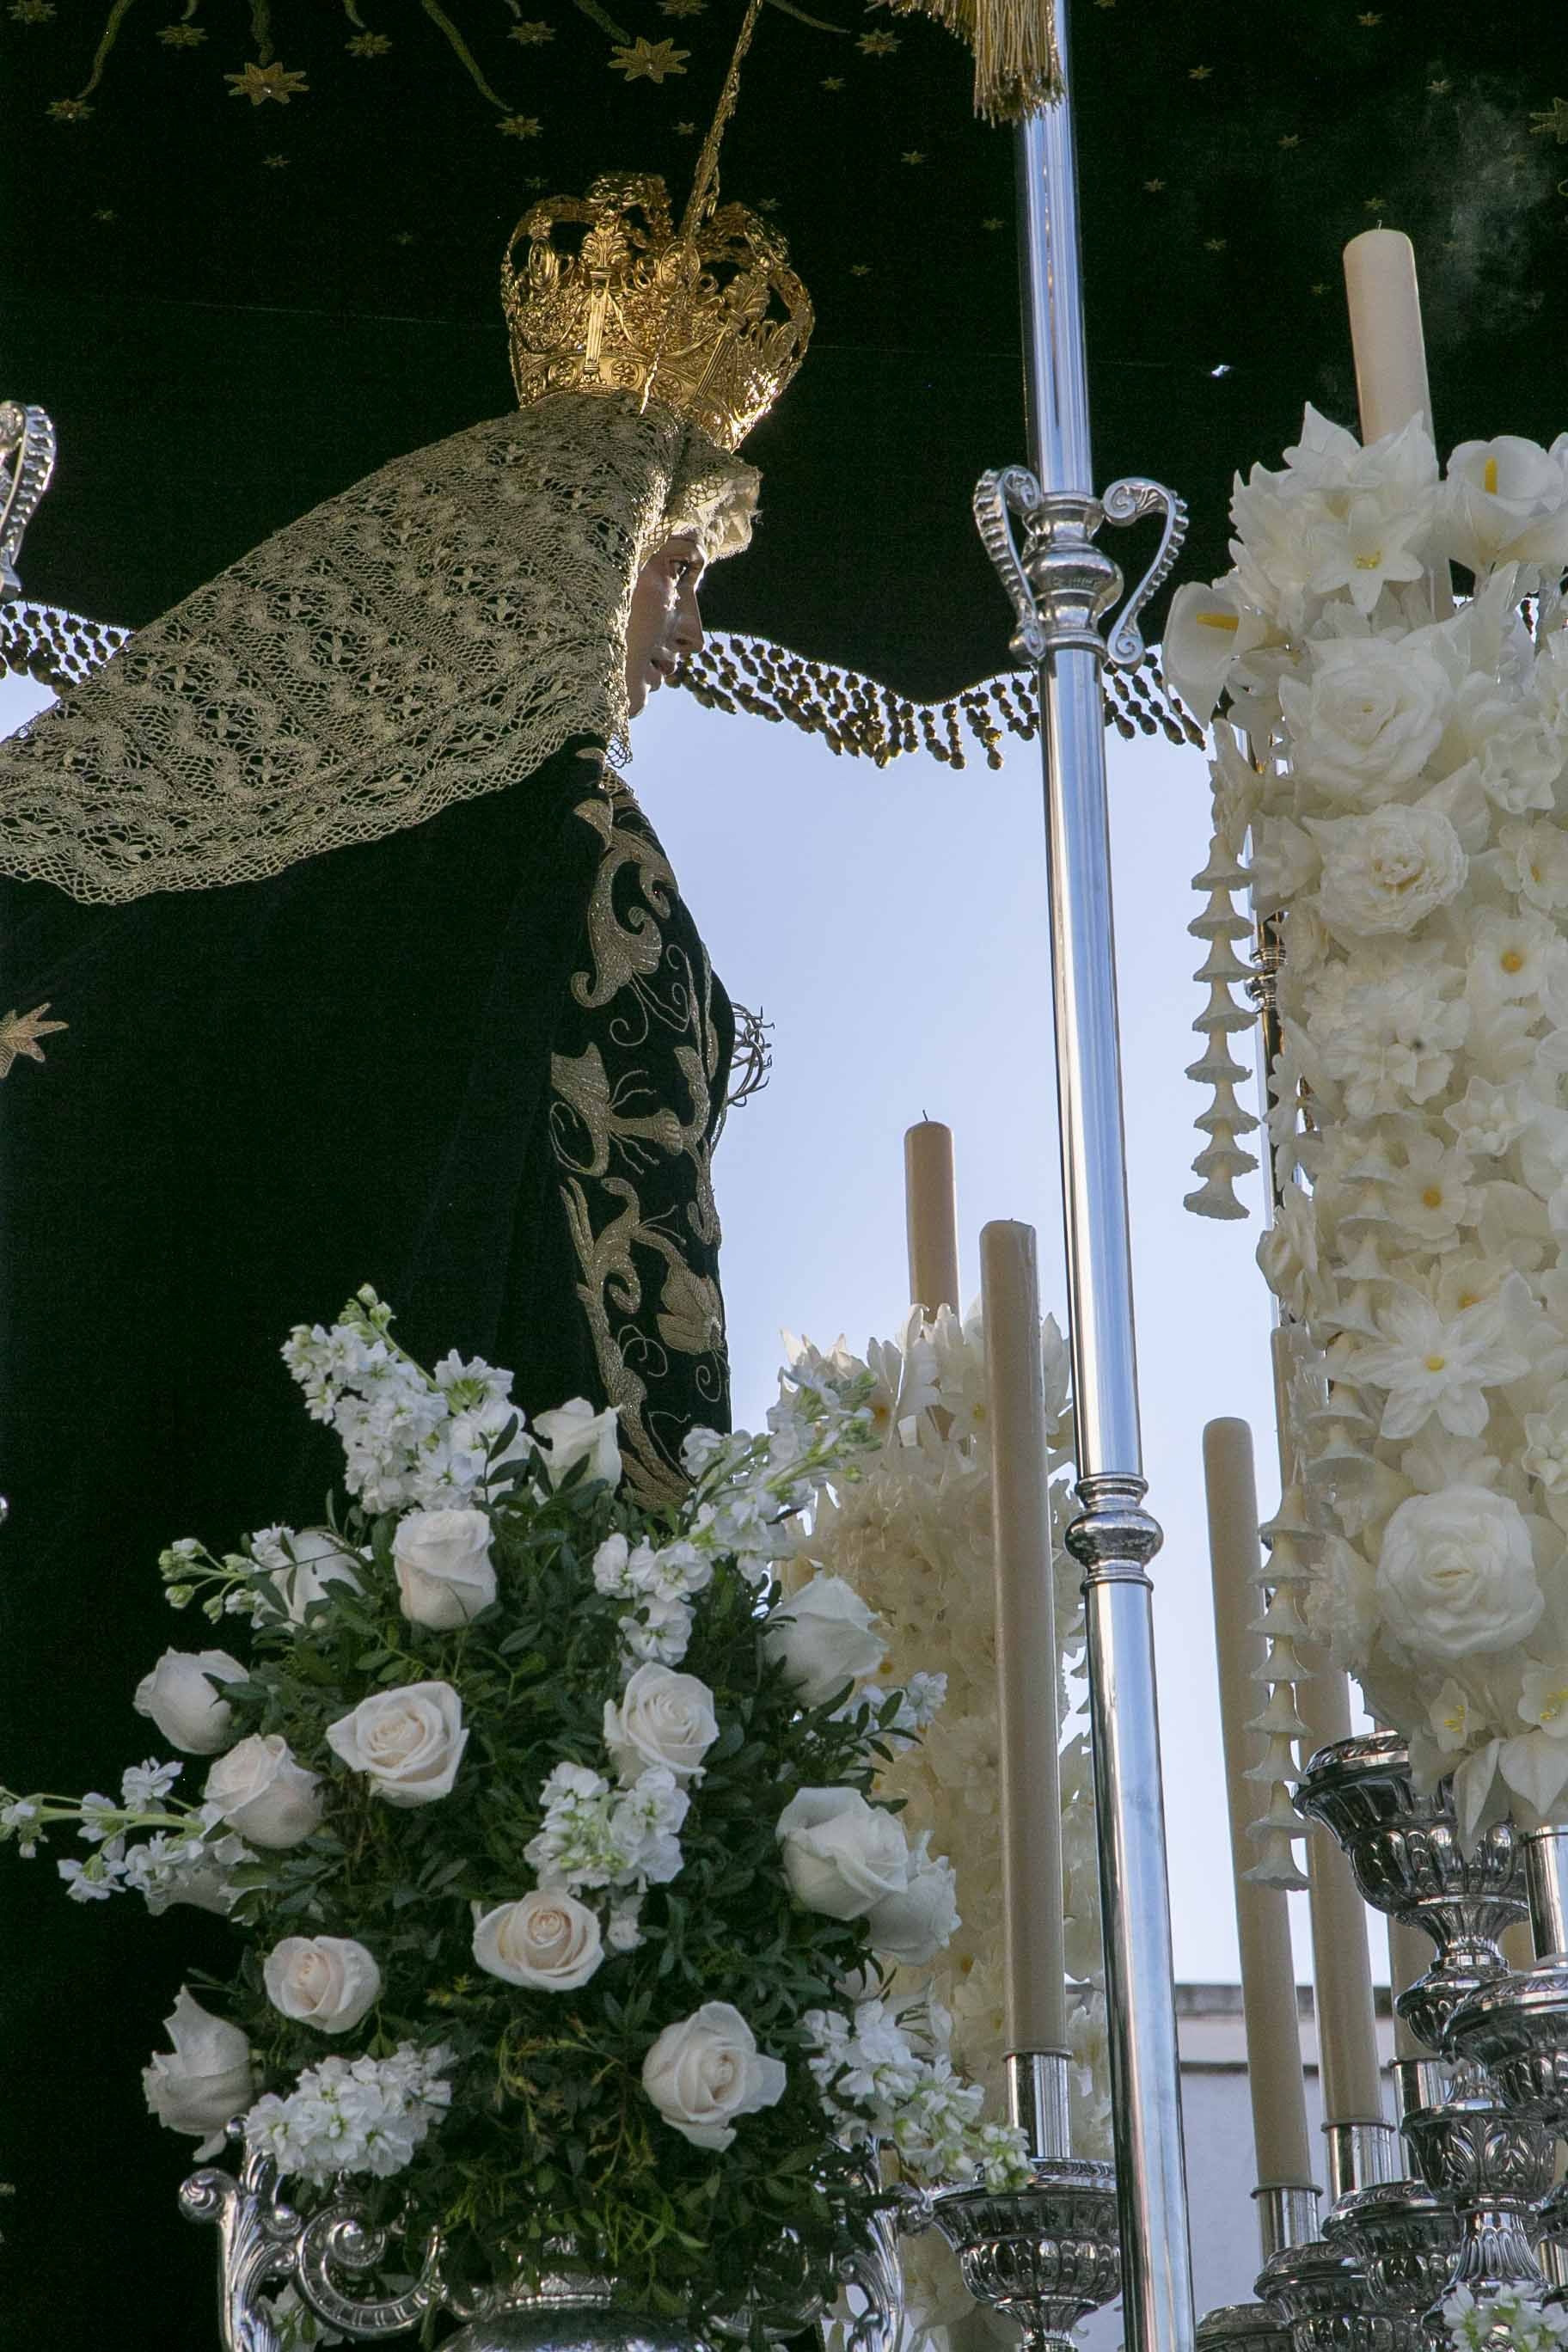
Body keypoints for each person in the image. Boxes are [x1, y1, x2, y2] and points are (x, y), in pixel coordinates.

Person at [0, 170, 811, 2344]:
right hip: (466, 1692)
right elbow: (617, 1271)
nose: (685, 634)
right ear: (545, 568)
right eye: (670, 569)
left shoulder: (196, 892)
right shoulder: (555, 844)